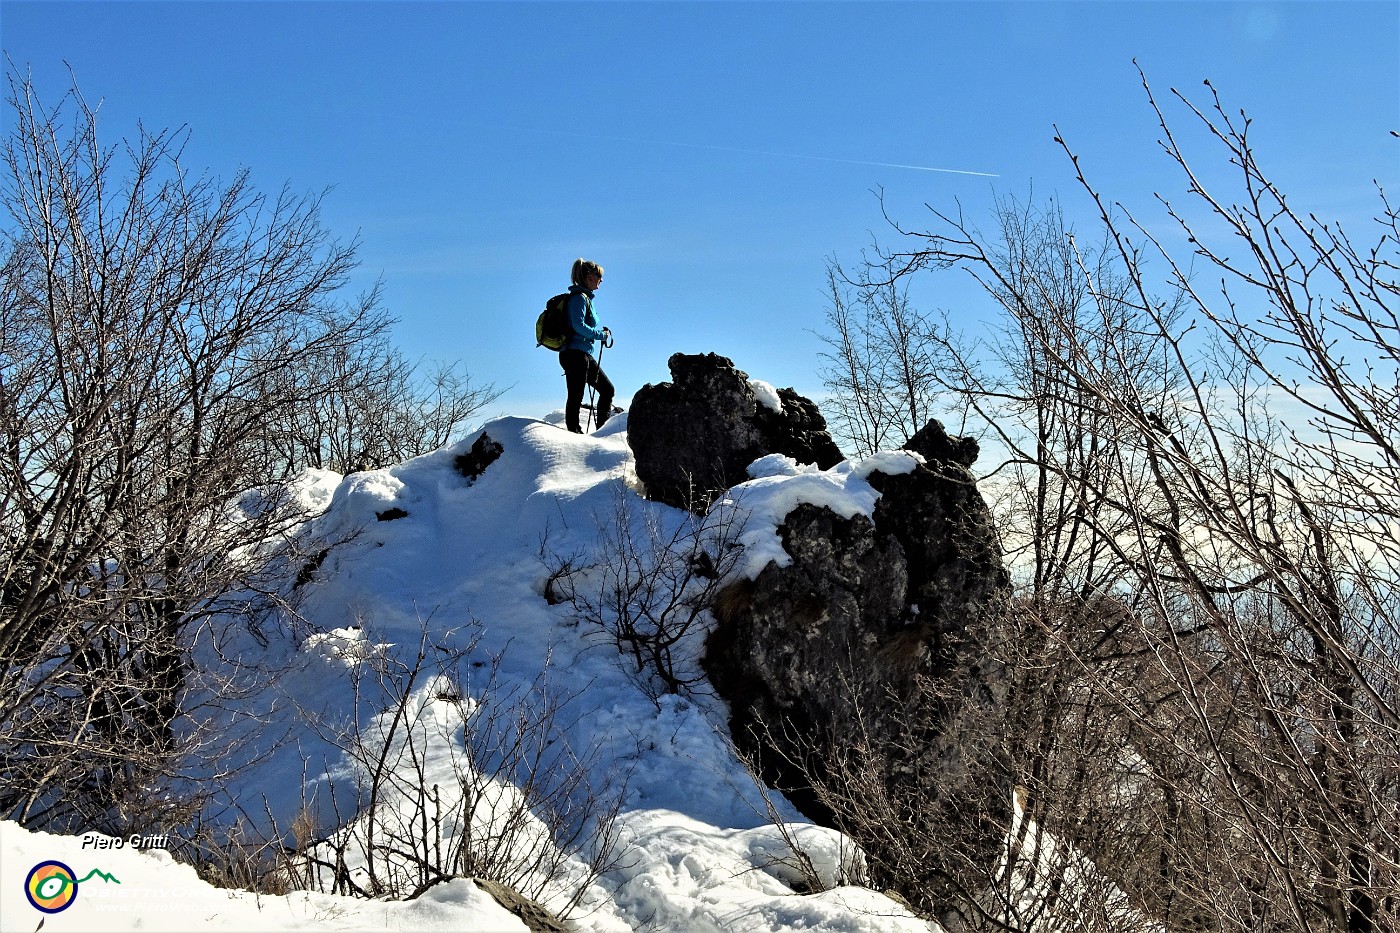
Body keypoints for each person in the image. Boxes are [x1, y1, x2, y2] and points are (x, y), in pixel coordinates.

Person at [559, 258, 616, 433]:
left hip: (579, 353)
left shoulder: (584, 299)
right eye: (598, 276)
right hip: (576, 353)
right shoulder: (579, 299)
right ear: (588, 277)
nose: (601, 280)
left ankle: (601, 431)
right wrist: (600, 335)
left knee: (606, 389)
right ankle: (574, 431)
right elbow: (578, 325)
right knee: (577, 394)